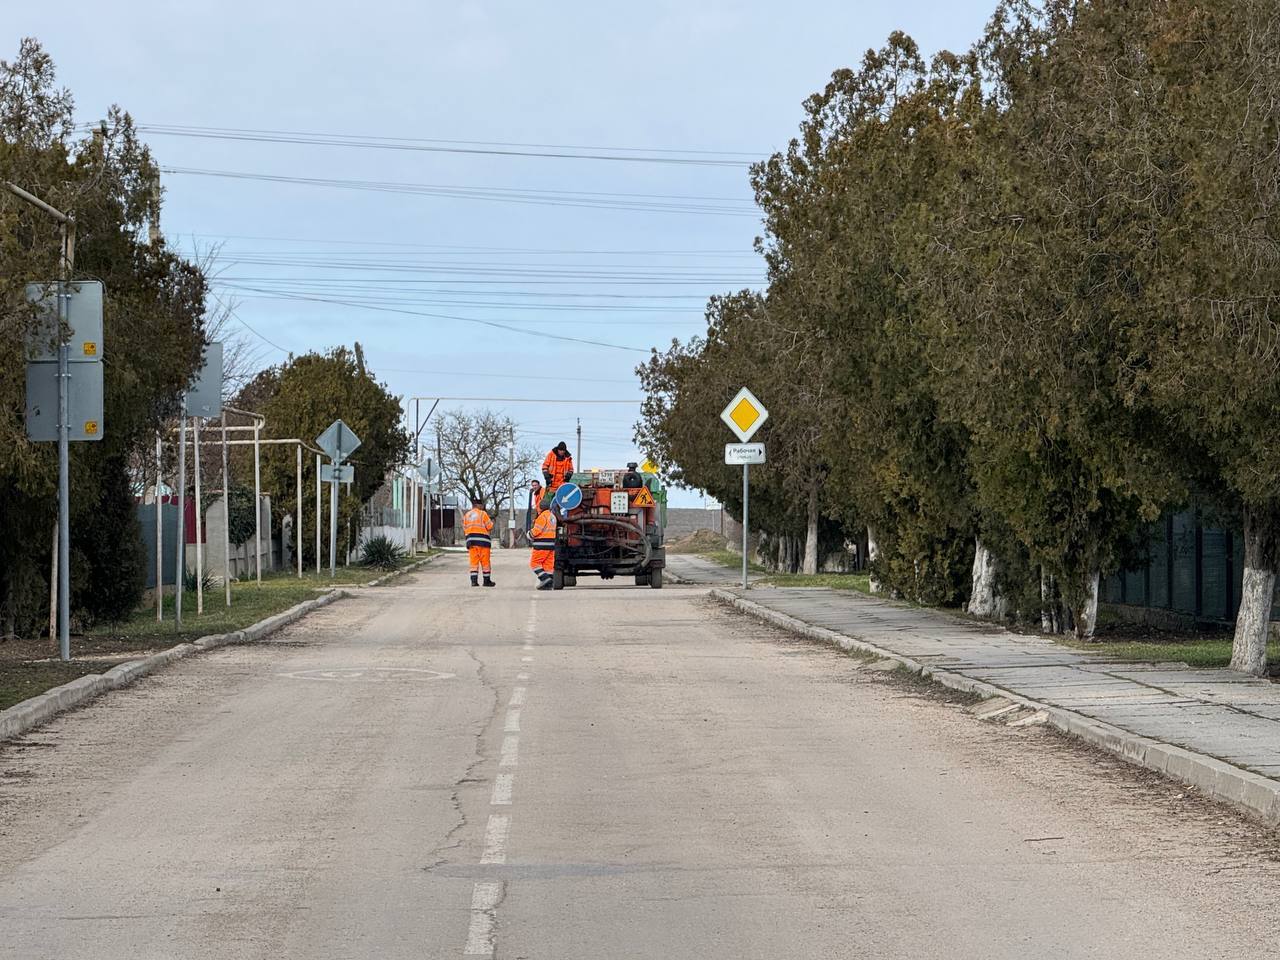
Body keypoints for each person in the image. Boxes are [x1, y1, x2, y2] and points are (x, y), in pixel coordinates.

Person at [462, 497, 495, 587]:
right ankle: (486, 581)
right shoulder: (482, 514)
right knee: (485, 562)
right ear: (479, 505)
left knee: (473, 562)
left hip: (471, 541)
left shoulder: (467, 515)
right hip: (483, 542)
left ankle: (474, 581)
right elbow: (490, 526)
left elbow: (464, 528)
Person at [529, 502, 558, 590]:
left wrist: (529, 534)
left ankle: (545, 579)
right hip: (551, 544)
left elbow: (536, 531)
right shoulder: (552, 517)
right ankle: (548, 585)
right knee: (548, 565)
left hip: (541, 544)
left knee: (534, 563)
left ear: (540, 508)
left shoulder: (542, 517)